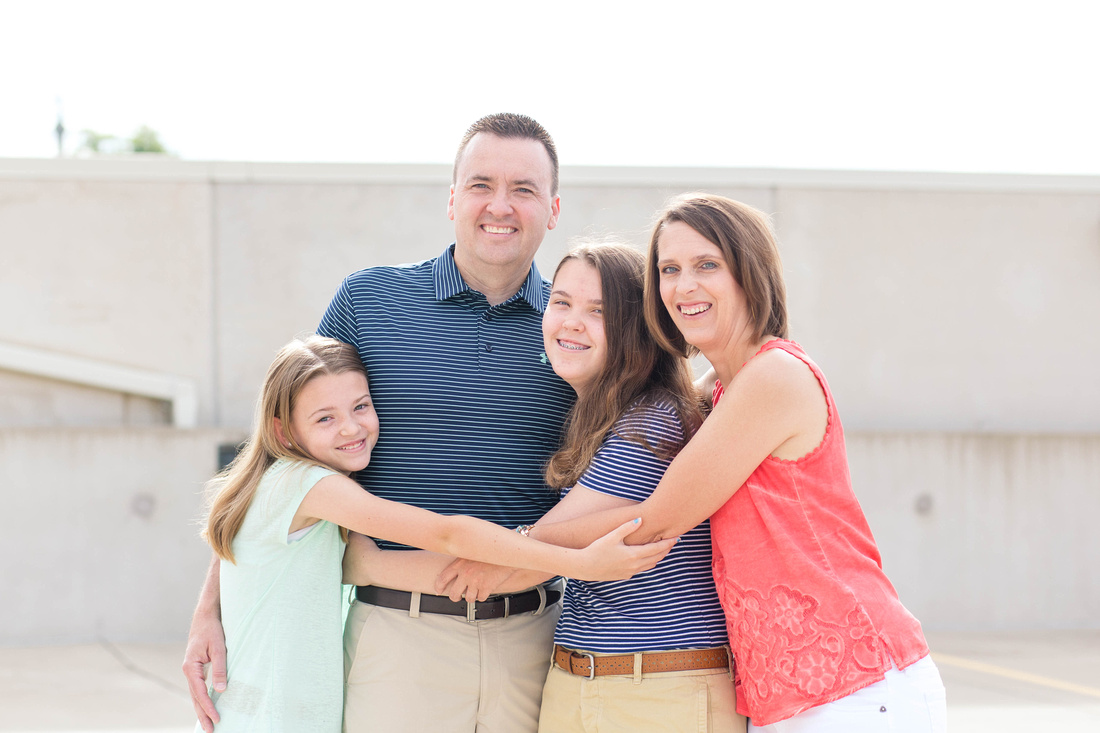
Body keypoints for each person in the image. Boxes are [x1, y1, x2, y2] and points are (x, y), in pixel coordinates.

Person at [183, 113, 578, 733]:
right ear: (452, 198)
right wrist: (211, 608)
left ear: (552, 209)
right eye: (481, 184)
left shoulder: (575, 330)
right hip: (397, 638)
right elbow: (279, 462)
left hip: (536, 639)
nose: (499, 205)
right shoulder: (369, 302)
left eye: (524, 189)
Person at [541, 194, 947, 731]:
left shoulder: (774, 376)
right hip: (784, 694)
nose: (683, 286)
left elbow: (656, 521)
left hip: (856, 684)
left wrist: (516, 545)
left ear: (749, 273)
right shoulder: (722, 392)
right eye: (669, 269)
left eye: (706, 265)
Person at [199, 335, 671, 732]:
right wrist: (581, 564)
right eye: (325, 418)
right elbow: (447, 534)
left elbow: (372, 564)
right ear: (283, 431)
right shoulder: (310, 485)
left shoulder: (293, 488)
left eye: (361, 406)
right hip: (274, 717)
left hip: (274, 710)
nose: (351, 427)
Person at [532, 242, 745, 731]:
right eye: (560, 302)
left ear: (637, 328)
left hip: (655, 691)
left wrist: (383, 565)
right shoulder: (605, 418)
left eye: (598, 311)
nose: (570, 322)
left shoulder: (651, 424)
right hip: (583, 680)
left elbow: (531, 553)